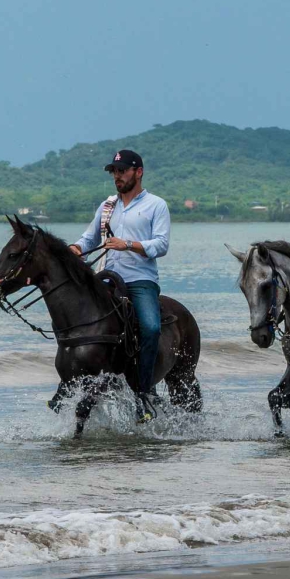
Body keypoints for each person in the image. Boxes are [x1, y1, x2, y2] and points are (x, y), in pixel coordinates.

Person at [70, 148, 172, 422]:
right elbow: (89, 238)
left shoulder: (156, 205)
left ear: (138, 172)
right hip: (108, 278)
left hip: (140, 280)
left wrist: (128, 244)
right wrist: (76, 248)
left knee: (150, 327)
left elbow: (161, 245)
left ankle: (144, 388)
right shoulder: (107, 207)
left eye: (122, 170)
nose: (117, 176)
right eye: (114, 171)